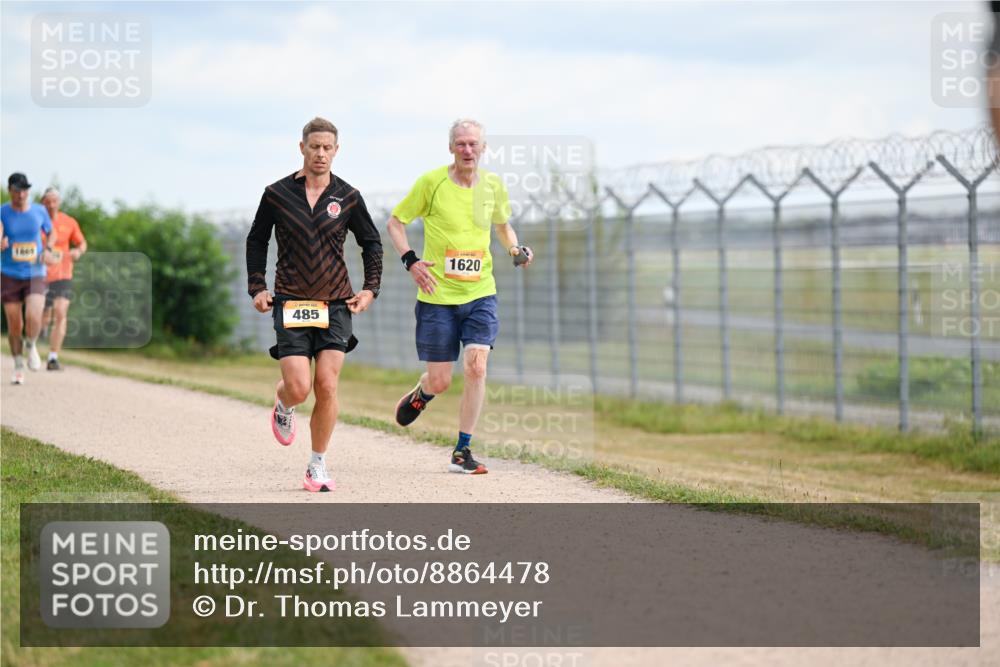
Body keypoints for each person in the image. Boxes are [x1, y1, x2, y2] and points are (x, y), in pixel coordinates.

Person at [386, 118, 533, 475]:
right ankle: (423, 393)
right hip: (437, 296)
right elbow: (396, 221)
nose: (468, 150)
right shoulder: (431, 183)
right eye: (461, 144)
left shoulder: (494, 186)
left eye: (474, 144)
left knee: (477, 365)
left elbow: (502, 226)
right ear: (451, 148)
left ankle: (462, 450)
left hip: (481, 292)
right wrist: (411, 261)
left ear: (483, 148)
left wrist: (515, 249)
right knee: (440, 380)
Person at [246, 117, 383, 492]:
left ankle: (317, 464)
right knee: (300, 387)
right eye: (314, 146)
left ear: (336, 151)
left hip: (335, 302)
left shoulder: (348, 196)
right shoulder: (276, 194)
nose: (320, 153)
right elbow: (257, 241)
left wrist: (371, 288)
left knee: (327, 385)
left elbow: (371, 243)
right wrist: (257, 286)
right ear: (302, 147)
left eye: (328, 147)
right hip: (290, 300)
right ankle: (283, 403)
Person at [1, 172, 56, 385]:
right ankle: (17, 365)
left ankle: (31, 345)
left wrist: (49, 248)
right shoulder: (2, 212)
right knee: (15, 324)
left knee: (34, 317)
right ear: (10, 191)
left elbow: (51, 233)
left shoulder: (40, 211)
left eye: (25, 190)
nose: (21, 194)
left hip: (36, 272)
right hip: (9, 274)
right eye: (17, 190)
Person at [39, 187, 87, 370]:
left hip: (63, 274)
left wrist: (78, 251)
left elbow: (82, 242)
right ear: (43, 202)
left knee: (61, 312)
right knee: (43, 316)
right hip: (41, 275)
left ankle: (53, 357)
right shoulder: (36, 221)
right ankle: (37, 335)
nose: (51, 205)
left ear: (59, 202)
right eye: (47, 201)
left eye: (54, 201)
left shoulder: (69, 222)